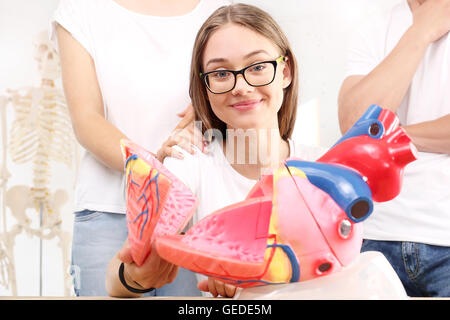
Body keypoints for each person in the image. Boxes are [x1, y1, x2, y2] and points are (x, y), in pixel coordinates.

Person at [105, 3, 325, 298]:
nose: (241, 86)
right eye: (221, 73)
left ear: (285, 72)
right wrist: (137, 276)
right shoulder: (191, 165)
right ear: (205, 89)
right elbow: (116, 281)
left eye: (258, 67)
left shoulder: (324, 169)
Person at [50, 0, 230, 296]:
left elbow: (242, 95)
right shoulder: (80, 11)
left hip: (199, 212)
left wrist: (208, 109)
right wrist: (156, 167)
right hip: (109, 210)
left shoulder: (221, 8)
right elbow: (86, 119)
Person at [338, 0, 450, 297]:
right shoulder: (373, 27)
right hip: (373, 237)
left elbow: (366, 130)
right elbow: (353, 124)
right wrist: (421, 30)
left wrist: (390, 134)